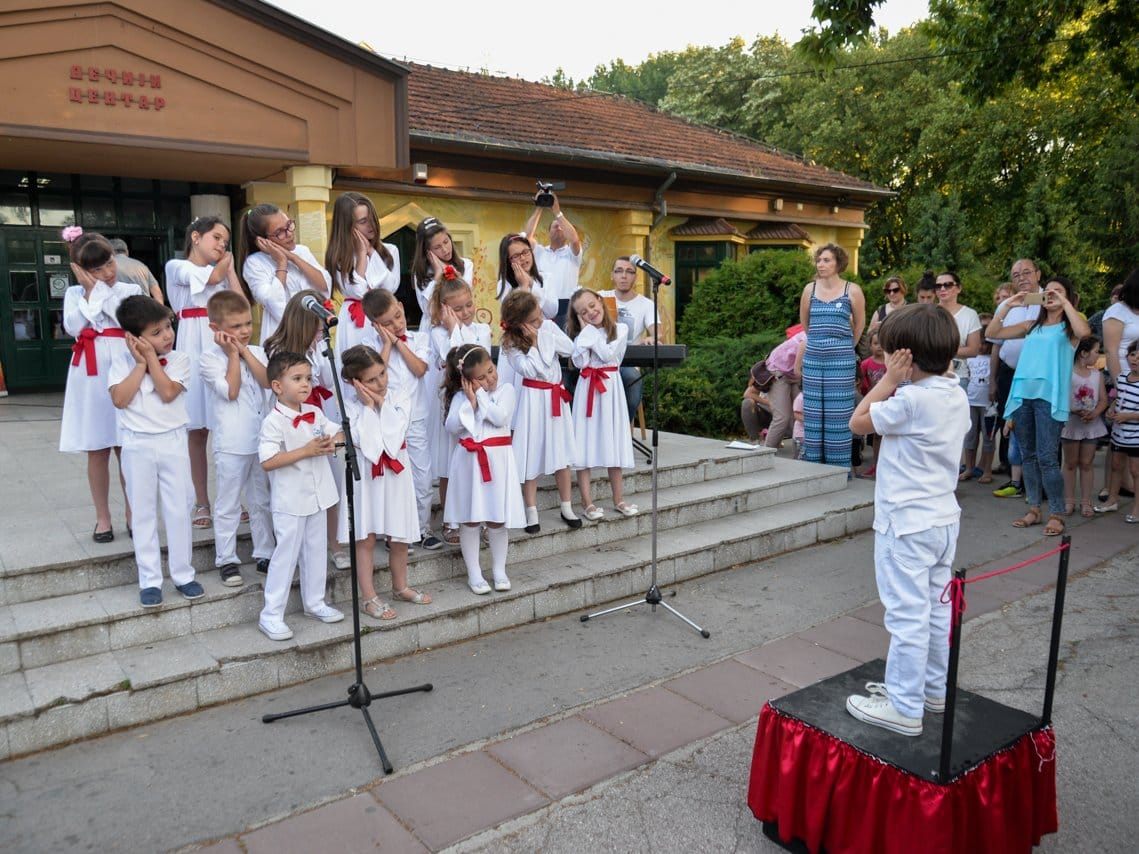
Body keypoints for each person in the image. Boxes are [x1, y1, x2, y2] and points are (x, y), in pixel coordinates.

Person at [844, 303, 971, 736]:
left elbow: (857, 422)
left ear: (905, 358)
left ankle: (904, 706)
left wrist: (888, 381)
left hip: (906, 526)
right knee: (936, 609)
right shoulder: (955, 392)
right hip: (942, 520)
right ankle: (931, 691)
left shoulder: (910, 400)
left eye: (888, 352)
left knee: (907, 616)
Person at [108, 295, 202, 609]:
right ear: (134, 338)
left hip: (172, 441)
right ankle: (149, 579)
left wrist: (152, 359)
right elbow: (120, 399)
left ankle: (183, 574)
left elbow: (168, 392)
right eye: (156, 332)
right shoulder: (120, 362)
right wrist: (140, 364)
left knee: (179, 508)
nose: (167, 336)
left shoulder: (179, 359)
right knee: (143, 512)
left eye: (168, 327)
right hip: (137, 444)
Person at [986, 275, 1090, 536]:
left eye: (1058, 291)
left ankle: (1056, 513)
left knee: (1047, 458)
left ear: (1067, 296)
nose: (1051, 294)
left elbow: (1084, 333)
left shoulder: (1069, 329)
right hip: (1023, 395)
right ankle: (1034, 509)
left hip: (1049, 398)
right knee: (1028, 456)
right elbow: (992, 333)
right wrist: (1009, 304)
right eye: (1049, 291)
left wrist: (1065, 303)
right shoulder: (1031, 325)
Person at [338, 344, 433, 620]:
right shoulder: (350, 406)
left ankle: (400, 586)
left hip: (396, 473)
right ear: (355, 383)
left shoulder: (399, 395)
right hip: (367, 476)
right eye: (371, 380)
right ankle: (369, 597)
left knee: (399, 533)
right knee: (365, 537)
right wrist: (369, 408)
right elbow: (368, 446)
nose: (380, 383)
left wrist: (381, 404)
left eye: (382, 373)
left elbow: (394, 438)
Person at [257, 351, 346, 640]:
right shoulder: (273, 421)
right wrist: (306, 451)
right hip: (291, 500)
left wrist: (334, 443)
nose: (305, 384)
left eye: (307, 378)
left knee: (316, 551)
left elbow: (337, 433)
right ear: (277, 386)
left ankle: (315, 602)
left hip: (318, 495)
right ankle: (271, 614)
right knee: (286, 556)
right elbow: (268, 461)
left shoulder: (315, 412)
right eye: (297, 378)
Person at [60, 230, 142, 542]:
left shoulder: (130, 289)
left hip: (123, 366)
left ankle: (133, 513)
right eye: (96, 269)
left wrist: (97, 291)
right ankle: (102, 518)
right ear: (80, 270)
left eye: (109, 263)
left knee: (126, 446)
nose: (107, 272)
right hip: (90, 373)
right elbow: (74, 326)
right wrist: (89, 293)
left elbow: (126, 319)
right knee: (97, 449)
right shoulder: (73, 294)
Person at [165, 216, 245, 530]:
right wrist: (225, 265)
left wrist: (232, 270)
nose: (222, 245)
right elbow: (211, 278)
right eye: (216, 237)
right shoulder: (177, 267)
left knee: (228, 424)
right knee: (197, 430)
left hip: (221, 344)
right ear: (196, 237)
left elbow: (240, 303)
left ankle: (232, 499)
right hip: (192, 343)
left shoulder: (222, 271)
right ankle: (202, 501)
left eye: (225, 240)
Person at [263, 290, 347, 570]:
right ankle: (290, 546)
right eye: (317, 326)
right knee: (293, 483)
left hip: (318, 413)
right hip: (289, 421)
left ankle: (333, 543)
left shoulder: (318, 348)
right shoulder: (279, 351)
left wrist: (324, 348)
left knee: (328, 480)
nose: (320, 331)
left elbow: (327, 381)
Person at [200, 290, 274, 587]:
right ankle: (227, 558)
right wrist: (233, 355)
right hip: (232, 442)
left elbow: (267, 380)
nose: (244, 331)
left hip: (262, 440)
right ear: (216, 329)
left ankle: (265, 552)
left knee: (261, 499)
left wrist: (243, 351)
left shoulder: (257, 351)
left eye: (247, 324)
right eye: (235, 327)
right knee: (229, 503)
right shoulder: (209, 359)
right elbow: (231, 391)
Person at [360, 288, 441, 551]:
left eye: (398, 316)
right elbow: (375, 376)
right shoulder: (369, 346)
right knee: (391, 477)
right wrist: (386, 345)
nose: (396, 324)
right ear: (375, 325)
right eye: (387, 323)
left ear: (402, 307)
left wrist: (398, 343)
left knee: (422, 474)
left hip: (415, 418)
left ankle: (422, 527)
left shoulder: (419, 339)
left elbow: (419, 369)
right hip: (385, 422)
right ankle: (393, 533)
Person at [442, 344, 526, 594]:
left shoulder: (506, 390)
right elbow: (452, 427)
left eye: (491, 370)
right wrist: (470, 402)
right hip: (469, 463)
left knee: (497, 519)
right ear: (467, 380)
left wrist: (480, 396)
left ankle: (499, 570)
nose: (490, 378)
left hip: (498, 463)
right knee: (470, 519)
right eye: (481, 377)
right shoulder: (461, 398)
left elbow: (500, 418)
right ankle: (474, 573)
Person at [499, 290, 582, 533]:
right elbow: (532, 369)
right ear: (520, 323)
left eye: (540, 316)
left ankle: (566, 506)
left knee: (561, 451)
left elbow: (569, 349)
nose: (541, 321)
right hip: (533, 400)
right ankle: (531, 511)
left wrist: (544, 335)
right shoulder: (511, 345)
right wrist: (535, 344)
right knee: (532, 453)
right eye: (534, 320)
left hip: (555, 397)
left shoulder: (547, 327)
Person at [425, 270, 492, 544]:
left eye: (468, 305)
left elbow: (478, 361)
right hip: (450, 404)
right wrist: (453, 328)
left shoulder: (482, 330)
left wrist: (459, 330)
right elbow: (455, 359)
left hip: (476, 402)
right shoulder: (438, 333)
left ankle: (479, 517)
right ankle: (450, 521)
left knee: (474, 462)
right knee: (449, 464)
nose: (465, 312)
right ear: (444, 310)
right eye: (457, 309)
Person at [567, 288, 638, 519]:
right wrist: (584, 336)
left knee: (613, 440)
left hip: (610, 388)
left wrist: (590, 335)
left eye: (592, 305)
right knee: (584, 442)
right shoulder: (582, 336)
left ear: (600, 300)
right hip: (588, 388)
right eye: (583, 312)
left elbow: (607, 355)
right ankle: (587, 502)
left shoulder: (620, 329)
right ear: (578, 317)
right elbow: (580, 362)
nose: (590, 312)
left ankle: (619, 499)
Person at [798, 243, 866, 468]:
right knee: (813, 413)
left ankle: (838, 469)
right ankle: (813, 467)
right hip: (813, 359)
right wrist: (819, 343)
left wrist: (845, 347)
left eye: (826, 260)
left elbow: (860, 325)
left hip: (842, 361)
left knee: (838, 414)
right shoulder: (809, 290)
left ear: (838, 263)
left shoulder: (852, 290)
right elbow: (805, 323)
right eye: (819, 260)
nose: (821, 264)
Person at [237, 204, 330, 345]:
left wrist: (293, 258)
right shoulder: (254, 263)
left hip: (315, 332)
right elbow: (273, 302)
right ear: (262, 240)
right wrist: (282, 262)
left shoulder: (302, 251)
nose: (289, 233)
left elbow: (324, 286)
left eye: (289, 225)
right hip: (283, 336)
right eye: (280, 232)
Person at [991, 260, 1044, 489]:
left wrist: (1032, 299)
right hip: (1009, 373)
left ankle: (1040, 484)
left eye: (1026, 273)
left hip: (1038, 376)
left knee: (1039, 428)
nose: (1021, 278)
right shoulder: (1008, 304)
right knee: (1010, 424)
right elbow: (994, 340)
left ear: (1038, 274)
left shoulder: (1049, 300)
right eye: (1016, 275)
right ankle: (1014, 479)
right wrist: (992, 380)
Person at [325, 192, 400, 355]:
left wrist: (372, 252)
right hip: (353, 323)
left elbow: (390, 288)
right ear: (347, 227)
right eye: (363, 221)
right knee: (357, 363)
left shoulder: (390, 250)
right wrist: (361, 255)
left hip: (385, 316)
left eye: (372, 218)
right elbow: (358, 292)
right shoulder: (339, 257)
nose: (371, 225)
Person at [599, 256, 659, 421]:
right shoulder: (600, 297)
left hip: (628, 363)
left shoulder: (646, 304)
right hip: (601, 362)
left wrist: (652, 338)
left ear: (635, 277)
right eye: (619, 271)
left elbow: (658, 333)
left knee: (632, 377)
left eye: (629, 272)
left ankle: (623, 430)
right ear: (612, 275)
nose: (623, 276)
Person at [1061, 336, 1109, 517]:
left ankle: (1086, 501)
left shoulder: (1097, 375)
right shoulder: (1067, 373)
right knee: (1070, 463)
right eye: (1096, 351)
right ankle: (1069, 500)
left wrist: (1095, 413)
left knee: (1087, 463)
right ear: (1083, 353)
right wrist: (1072, 410)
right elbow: (1060, 397)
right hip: (1071, 424)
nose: (1099, 355)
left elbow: (1103, 400)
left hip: (1091, 426)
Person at [523, 193, 582, 328]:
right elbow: (526, 237)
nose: (559, 228)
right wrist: (539, 207)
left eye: (562, 226)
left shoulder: (572, 253)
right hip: (541, 305)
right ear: (548, 232)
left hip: (566, 306)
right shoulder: (539, 251)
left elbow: (574, 240)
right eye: (555, 226)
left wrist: (557, 212)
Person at [1096, 340, 1139, 521]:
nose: (1135, 359)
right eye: (1133, 354)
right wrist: (1112, 408)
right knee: (1116, 466)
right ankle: (1112, 500)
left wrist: (1127, 416)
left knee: (1136, 471)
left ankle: (1137, 508)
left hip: (1136, 436)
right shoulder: (1122, 377)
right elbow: (1118, 398)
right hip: (1119, 434)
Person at [411, 217, 474, 316]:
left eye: (446, 242)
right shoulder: (421, 274)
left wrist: (446, 269)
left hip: (460, 322)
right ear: (427, 252)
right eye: (437, 247)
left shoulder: (466, 265)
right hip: (433, 324)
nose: (445, 250)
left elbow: (462, 298)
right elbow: (427, 310)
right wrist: (437, 276)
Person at [960, 316, 996, 483]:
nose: (982, 347)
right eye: (979, 343)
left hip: (988, 405)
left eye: (986, 343)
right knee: (970, 437)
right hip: (970, 402)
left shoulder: (993, 359)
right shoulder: (969, 358)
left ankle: (987, 470)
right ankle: (969, 467)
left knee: (988, 437)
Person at [935, 271, 982, 389]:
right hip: (929, 375)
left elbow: (973, 350)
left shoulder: (970, 314)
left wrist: (939, 350)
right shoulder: (928, 313)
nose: (942, 289)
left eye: (948, 285)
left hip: (958, 377)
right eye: (938, 286)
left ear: (959, 288)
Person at [761, 329, 806, 450]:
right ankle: (766, 452)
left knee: (799, 413)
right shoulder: (808, 339)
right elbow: (798, 370)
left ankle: (800, 451)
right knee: (782, 417)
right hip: (778, 372)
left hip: (792, 374)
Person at [858, 331, 888, 476]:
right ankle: (877, 465)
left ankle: (887, 465)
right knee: (877, 436)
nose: (879, 346)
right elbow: (862, 385)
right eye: (876, 343)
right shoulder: (866, 364)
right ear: (870, 346)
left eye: (882, 343)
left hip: (890, 403)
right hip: (874, 404)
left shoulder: (891, 363)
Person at [108, 238, 164, 304]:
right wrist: (158, 309)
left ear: (109, 252)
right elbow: (157, 294)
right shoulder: (142, 266)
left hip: (120, 307)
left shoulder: (106, 267)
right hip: (144, 307)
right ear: (127, 252)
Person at [741, 365, 773, 444]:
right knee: (747, 403)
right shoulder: (766, 374)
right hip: (766, 414)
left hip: (785, 416)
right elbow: (747, 394)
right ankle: (754, 439)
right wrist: (769, 403)